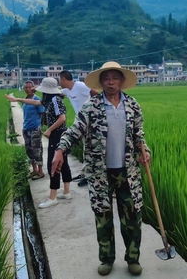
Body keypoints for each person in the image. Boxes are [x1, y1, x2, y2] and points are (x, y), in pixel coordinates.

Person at [51, 62, 151, 276]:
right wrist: (61, 149)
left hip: (128, 173)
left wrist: (145, 152)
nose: (111, 82)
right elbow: (75, 130)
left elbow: (139, 135)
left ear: (122, 81)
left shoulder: (132, 105)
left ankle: (133, 258)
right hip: (100, 174)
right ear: (102, 82)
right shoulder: (91, 106)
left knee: (132, 218)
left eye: (115, 77)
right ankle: (107, 259)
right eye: (107, 78)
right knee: (103, 217)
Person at [12, 77, 73, 209]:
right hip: (58, 134)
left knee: (53, 163)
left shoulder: (55, 100)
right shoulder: (48, 100)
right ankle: (67, 192)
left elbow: (62, 118)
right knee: (63, 163)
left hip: (58, 134)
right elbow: (34, 102)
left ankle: (52, 197)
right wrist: (18, 99)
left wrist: (49, 130)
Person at [59, 70, 98, 187]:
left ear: (63, 79)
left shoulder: (80, 86)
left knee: (91, 148)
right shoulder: (66, 90)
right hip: (82, 123)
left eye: (59, 79)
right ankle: (85, 173)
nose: (59, 82)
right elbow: (55, 92)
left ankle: (89, 176)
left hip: (91, 121)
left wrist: (92, 108)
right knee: (86, 147)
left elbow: (95, 92)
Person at [5, 80, 46, 180]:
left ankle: (40, 172)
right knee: (29, 150)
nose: (28, 89)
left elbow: (43, 113)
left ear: (33, 88)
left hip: (35, 128)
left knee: (37, 149)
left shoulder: (37, 99)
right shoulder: (25, 100)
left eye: (29, 87)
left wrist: (41, 126)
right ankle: (34, 170)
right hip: (26, 128)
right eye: (26, 87)